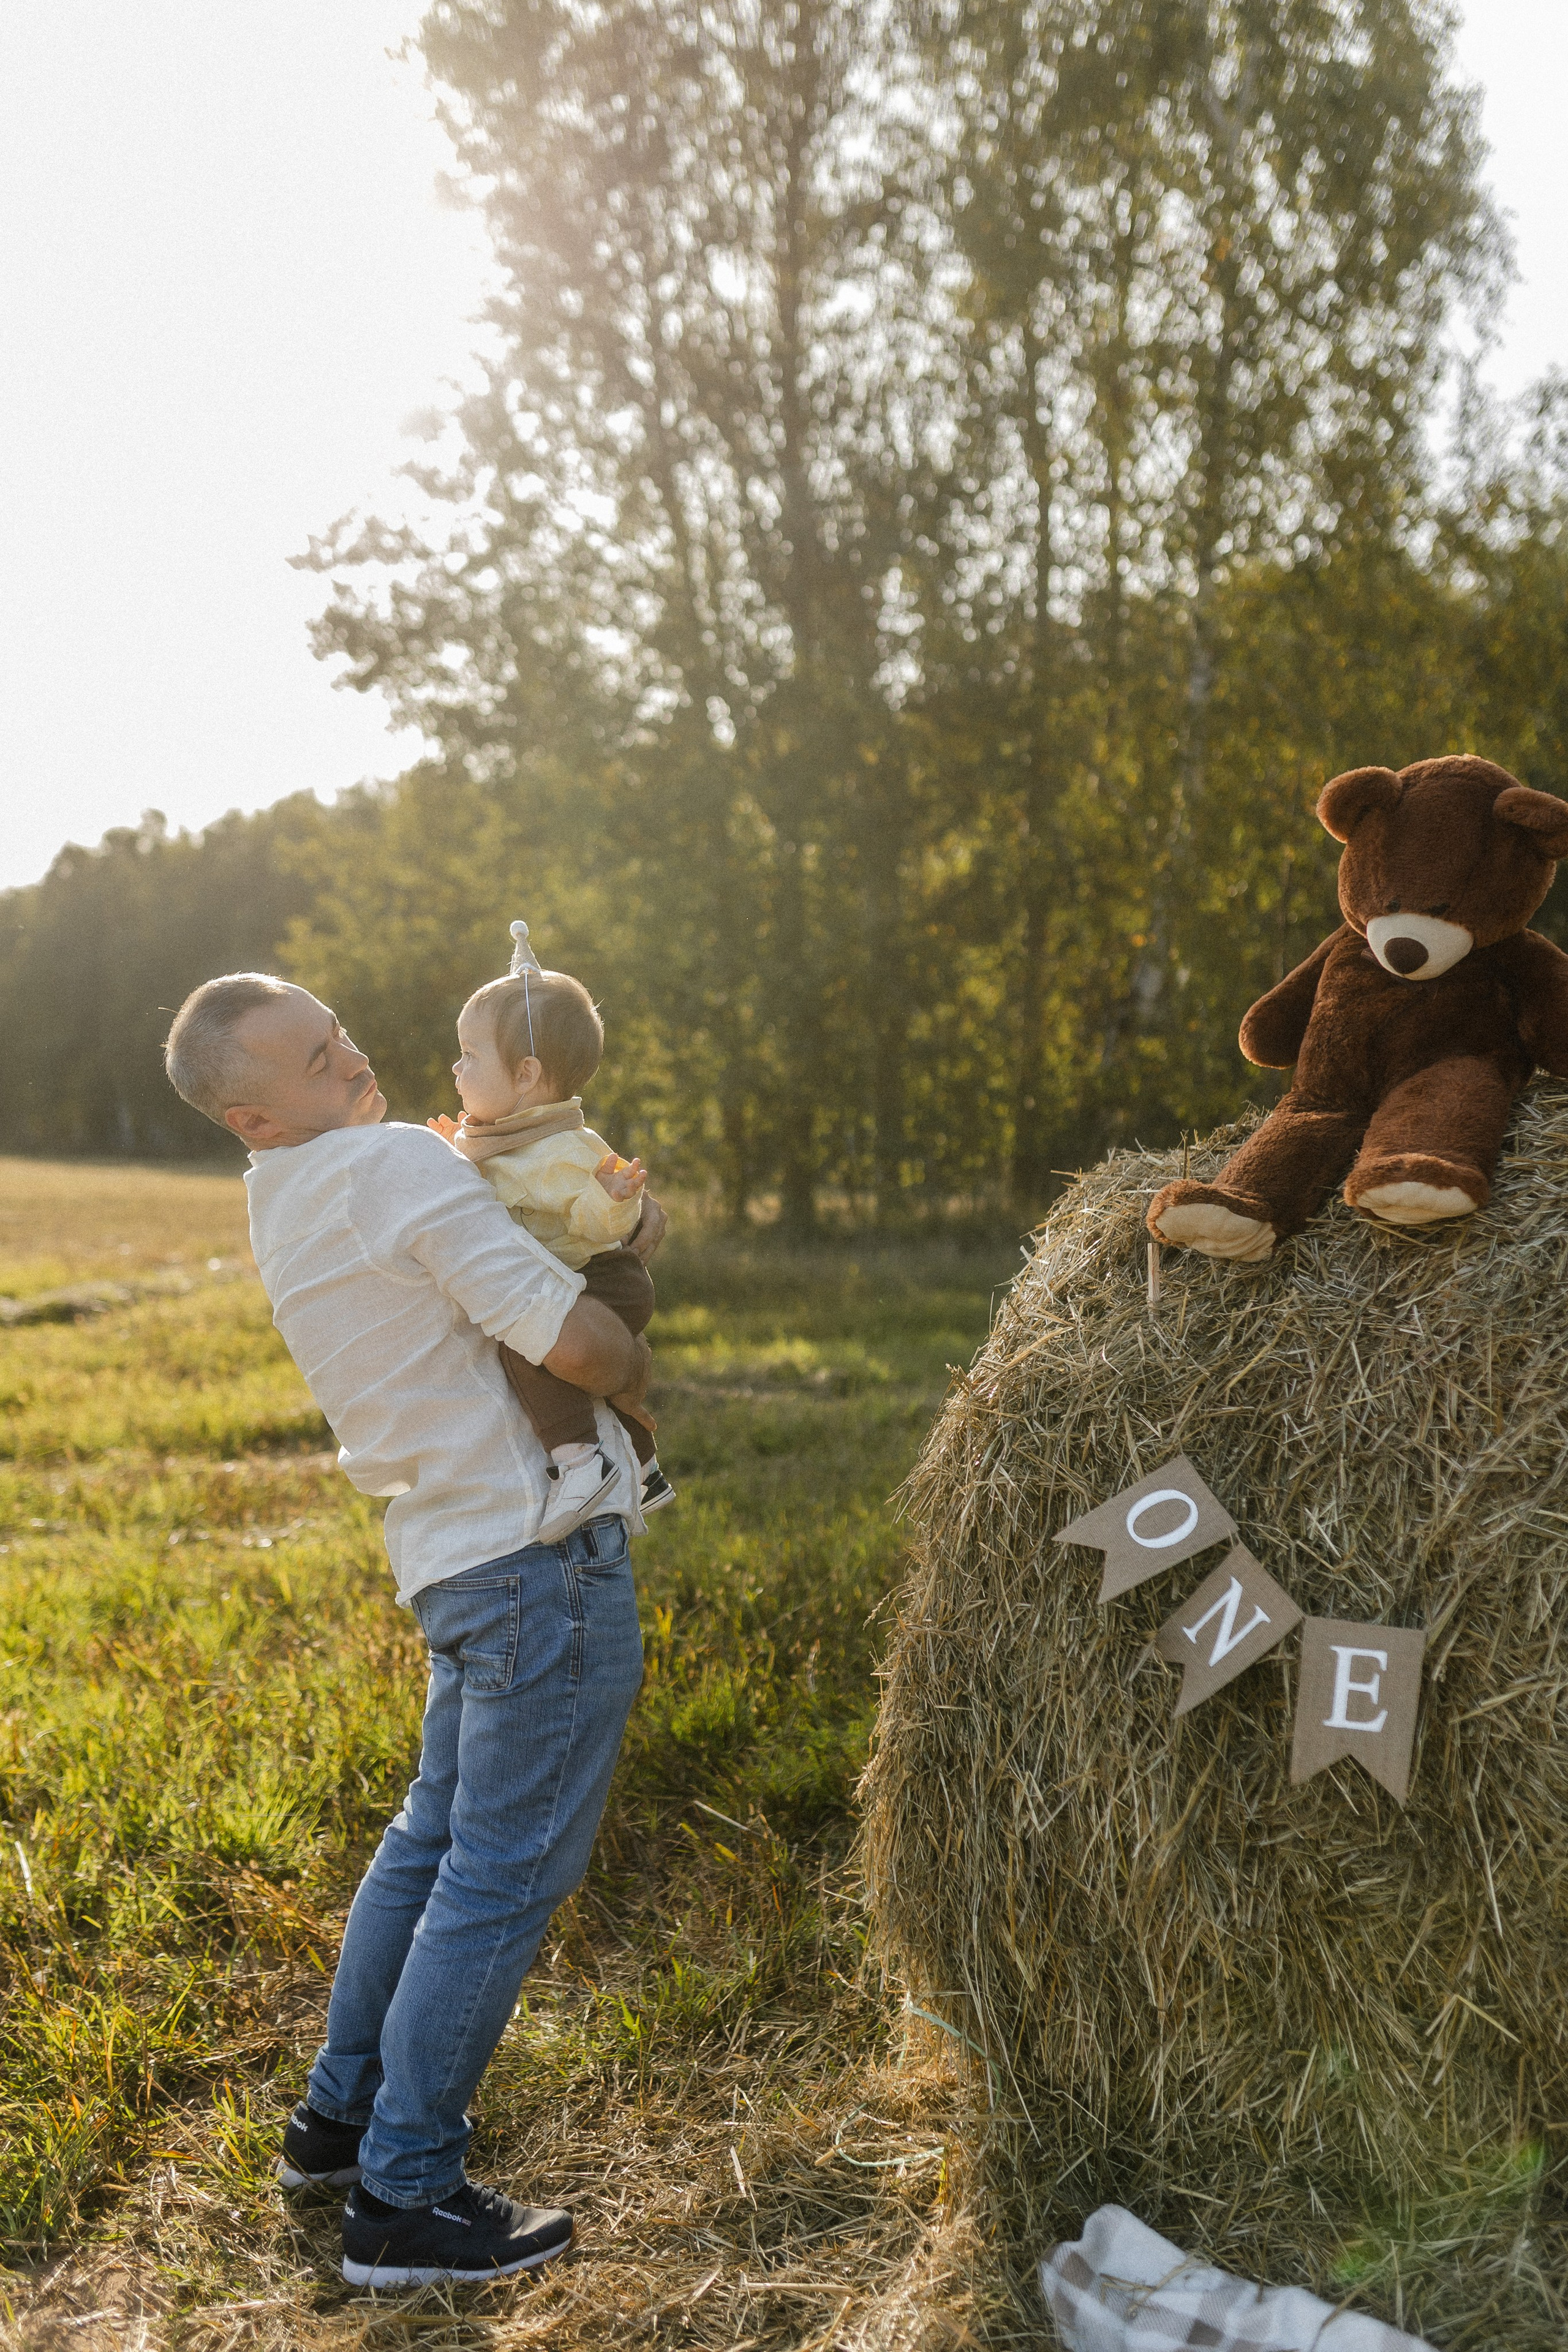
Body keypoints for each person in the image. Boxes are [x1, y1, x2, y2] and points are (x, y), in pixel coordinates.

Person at [162, 971, 663, 2288]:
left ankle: (337, 2124)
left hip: (450, 1558)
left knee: (433, 1836)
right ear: (256, 1117)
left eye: (340, 1037)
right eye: (318, 1061)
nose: (357, 1059)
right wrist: (628, 1271)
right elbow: (586, 1352)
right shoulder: (386, 1164)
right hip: (533, 1556)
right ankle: (405, 2193)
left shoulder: (283, 1194)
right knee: (499, 1872)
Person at [430, 919, 674, 1537]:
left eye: (470, 1055)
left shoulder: (563, 1148)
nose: (456, 1068)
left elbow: (593, 1224)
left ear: (526, 1075)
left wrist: (613, 1197)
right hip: (583, 1275)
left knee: (530, 1344)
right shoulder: (509, 1142)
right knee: (555, 1350)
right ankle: (644, 1471)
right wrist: (452, 1153)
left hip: (604, 1278)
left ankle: (579, 1462)